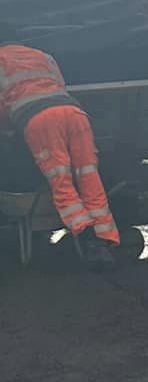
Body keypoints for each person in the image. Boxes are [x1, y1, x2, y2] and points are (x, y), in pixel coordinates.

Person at [0, 21, 120, 263]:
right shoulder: (43, 56)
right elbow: (59, 84)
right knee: (88, 174)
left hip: (39, 121)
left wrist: (9, 130)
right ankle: (105, 238)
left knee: (61, 180)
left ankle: (86, 238)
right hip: (73, 112)